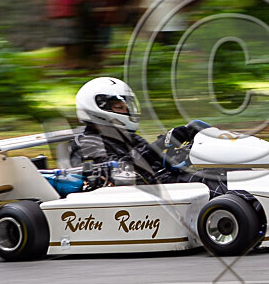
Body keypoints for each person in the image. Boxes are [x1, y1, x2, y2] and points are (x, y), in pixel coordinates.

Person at [70, 77, 224, 196]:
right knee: (211, 184)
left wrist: (184, 151)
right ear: (98, 110)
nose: (126, 112)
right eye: (119, 107)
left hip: (159, 184)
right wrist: (163, 143)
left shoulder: (128, 137)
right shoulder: (87, 142)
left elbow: (153, 161)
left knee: (221, 172)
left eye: (126, 107)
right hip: (133, 196)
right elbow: (121, 171)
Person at [47, 0, 83, 68]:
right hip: (59, 18)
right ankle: (66, 61)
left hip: (71, 17)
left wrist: (76, 17)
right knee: (64, 42)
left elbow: (78, 4)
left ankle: (74, 61)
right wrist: (53, 15)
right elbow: (52, 2)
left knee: (73, 41)